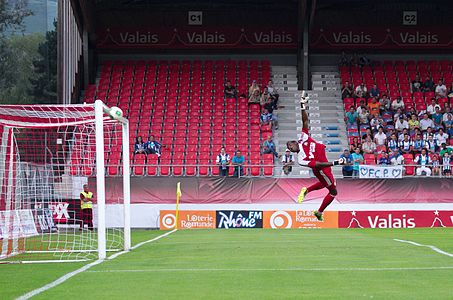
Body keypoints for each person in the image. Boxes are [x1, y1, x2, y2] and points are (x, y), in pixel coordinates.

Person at [287, 92, 346, 221]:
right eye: (289, 149)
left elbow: (305, 121)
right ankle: (319, 212)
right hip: (322, 169)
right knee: (333, 191)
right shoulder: (301, 159)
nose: (290, 149)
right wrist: (335, 163)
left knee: (327, 184)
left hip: (323, 165)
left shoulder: (302, 137)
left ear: (293, 142)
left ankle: (307, 192)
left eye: (290, 146)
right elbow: (318, 164)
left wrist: (302, 105)